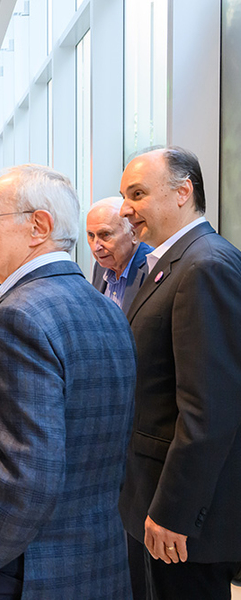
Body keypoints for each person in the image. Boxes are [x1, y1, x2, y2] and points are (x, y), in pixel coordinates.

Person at [0, 165, 136, 600]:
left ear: (38, 226)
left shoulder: (21, 316)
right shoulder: (105, 307)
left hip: (22, 571)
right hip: (95, 563)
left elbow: (24, 477)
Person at [118, 147, 241, 600]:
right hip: (148, 496)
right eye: (124, 195)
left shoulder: (205, 266)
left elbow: (209, 409)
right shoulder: (172, 264)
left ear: (182, 192)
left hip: (177, 517)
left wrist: (174, 511)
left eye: (138, 193)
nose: (126, 208)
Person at [86, 196, 153, 314]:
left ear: (133, 235)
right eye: (91, 235)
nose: (96, 247)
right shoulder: (101, 266)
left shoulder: (153, 267)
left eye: (105, 234)